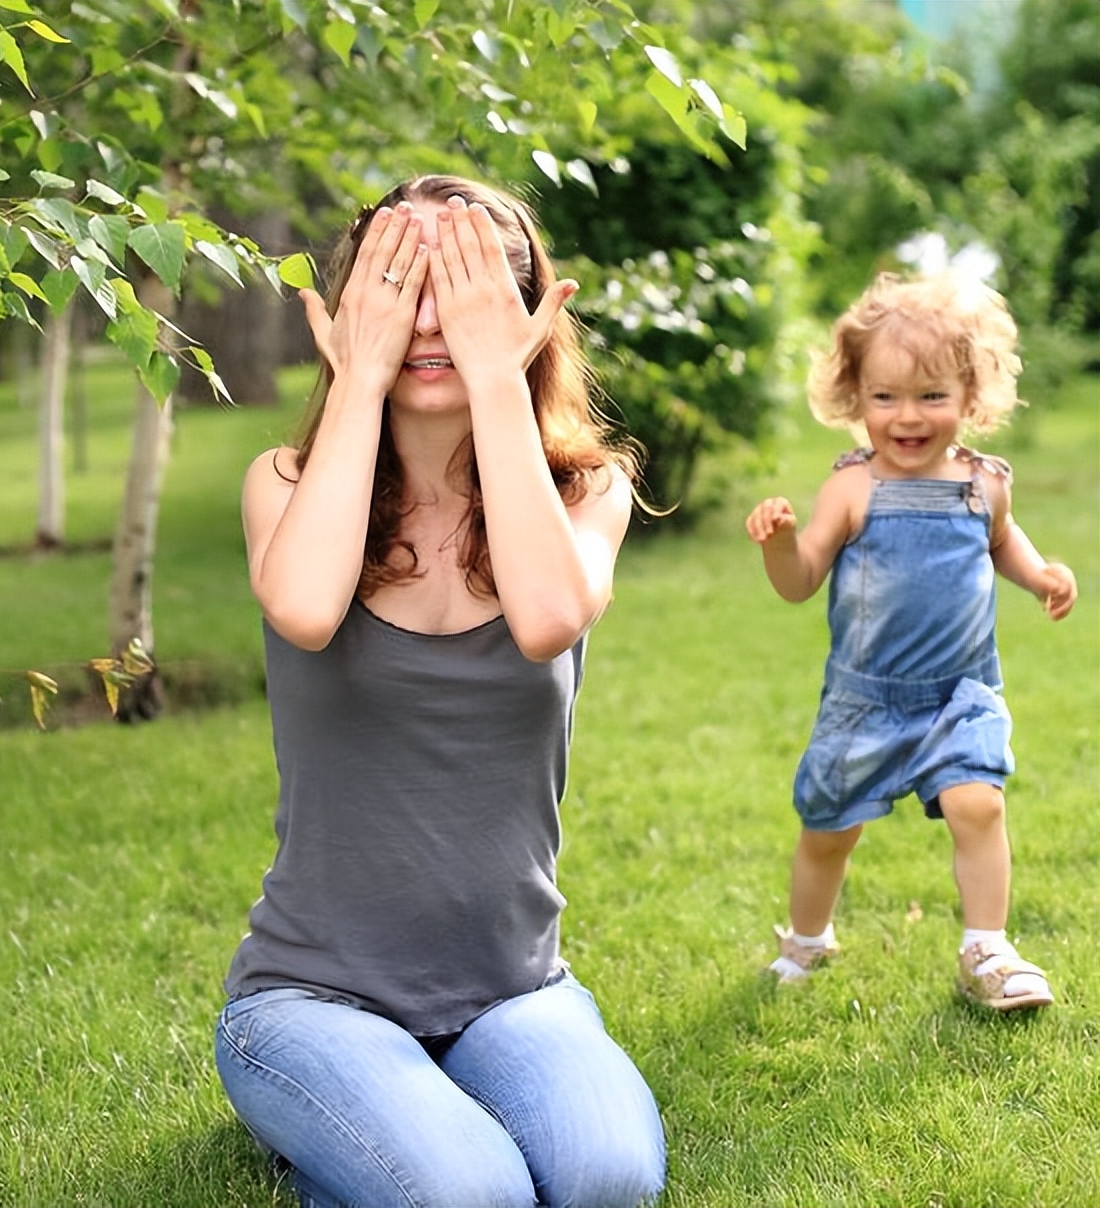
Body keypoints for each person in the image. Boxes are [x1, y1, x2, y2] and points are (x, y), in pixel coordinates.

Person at [214, 174, 667, 1208]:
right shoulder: (283, 483)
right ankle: (366, 1124)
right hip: (309, 997)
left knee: (604, 1181)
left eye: (459, 292)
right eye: (398, 288)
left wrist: (497, 383)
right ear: (349, 311)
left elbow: (548, 613)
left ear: (522, 314)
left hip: (514, 991)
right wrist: (361, 381)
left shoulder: (586, 493)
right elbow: (304, 609)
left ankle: (374, 1142)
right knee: (474, 1197)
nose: (429, 323)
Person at [745, 271, 1077, 1011]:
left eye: (932, 396)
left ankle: (986, 947)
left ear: (970, 395)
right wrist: (782, 544)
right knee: (829, 830)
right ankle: (806, 938)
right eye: (884, 396)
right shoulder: (852, 488)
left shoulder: (983, 484)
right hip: (864, 701)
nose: (907, 416)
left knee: (977, 805)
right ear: (854, 397)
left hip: (960, 692)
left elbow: (1002, 543)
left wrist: (1041, 575)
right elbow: (800, 582)